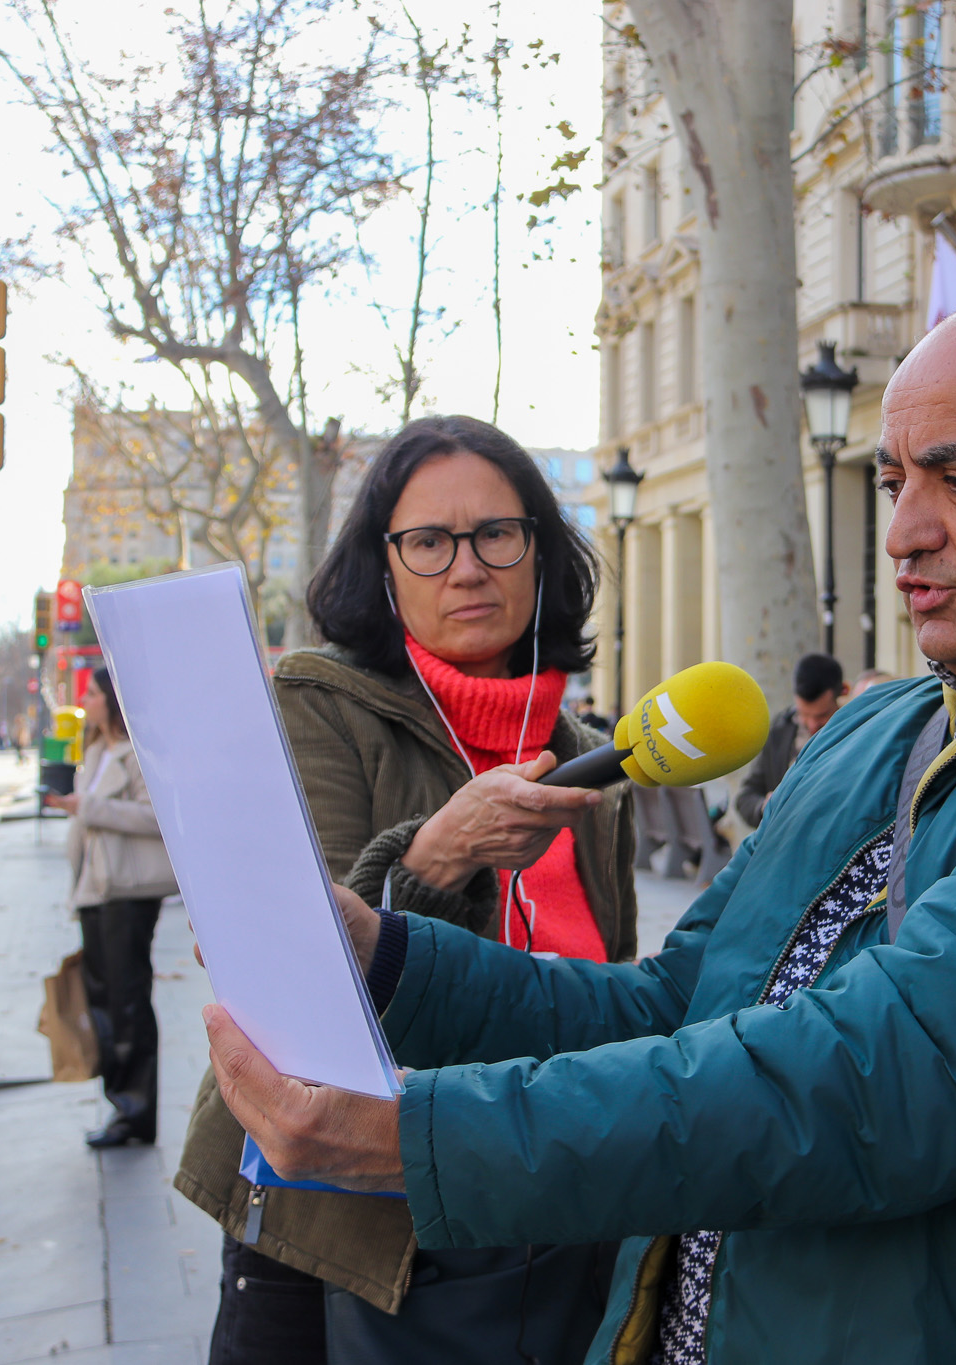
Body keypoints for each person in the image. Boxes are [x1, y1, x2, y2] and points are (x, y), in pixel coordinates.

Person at [202, 293, 956, 1363]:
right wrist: (392, 959)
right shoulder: (876, 728)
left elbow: (875, 1079)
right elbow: (671, 1005)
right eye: (894, 477)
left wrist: (421, 1143)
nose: (903, 531)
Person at [174, 416, 636, 1365]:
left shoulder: (593, 753)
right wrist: (433, 862)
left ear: (541, 552)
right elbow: (308, 983)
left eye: (496, 535)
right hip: (334, 1226)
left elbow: (613, 987)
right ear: (383, 567)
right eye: (428, 542)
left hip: (539, 1202)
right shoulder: (318, 702)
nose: (467, 568)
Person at [42, 670, 175, 1149]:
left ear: (114, 701)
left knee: (127, 999)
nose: (86, 700)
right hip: (93, 889)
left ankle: (136, 1112)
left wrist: (89, 808)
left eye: (94, 693)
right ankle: (122, 1104)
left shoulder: (138, 753)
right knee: (104, 998)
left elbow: (157, 817)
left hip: (127, 890)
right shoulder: (96, 751)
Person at [734, 652, 848, 825]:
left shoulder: (853, 731)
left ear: (843, 693)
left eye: (821, 716)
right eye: (804, 714)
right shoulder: (780, 729)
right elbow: (746, 796)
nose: (811, 725)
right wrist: (765, 807)